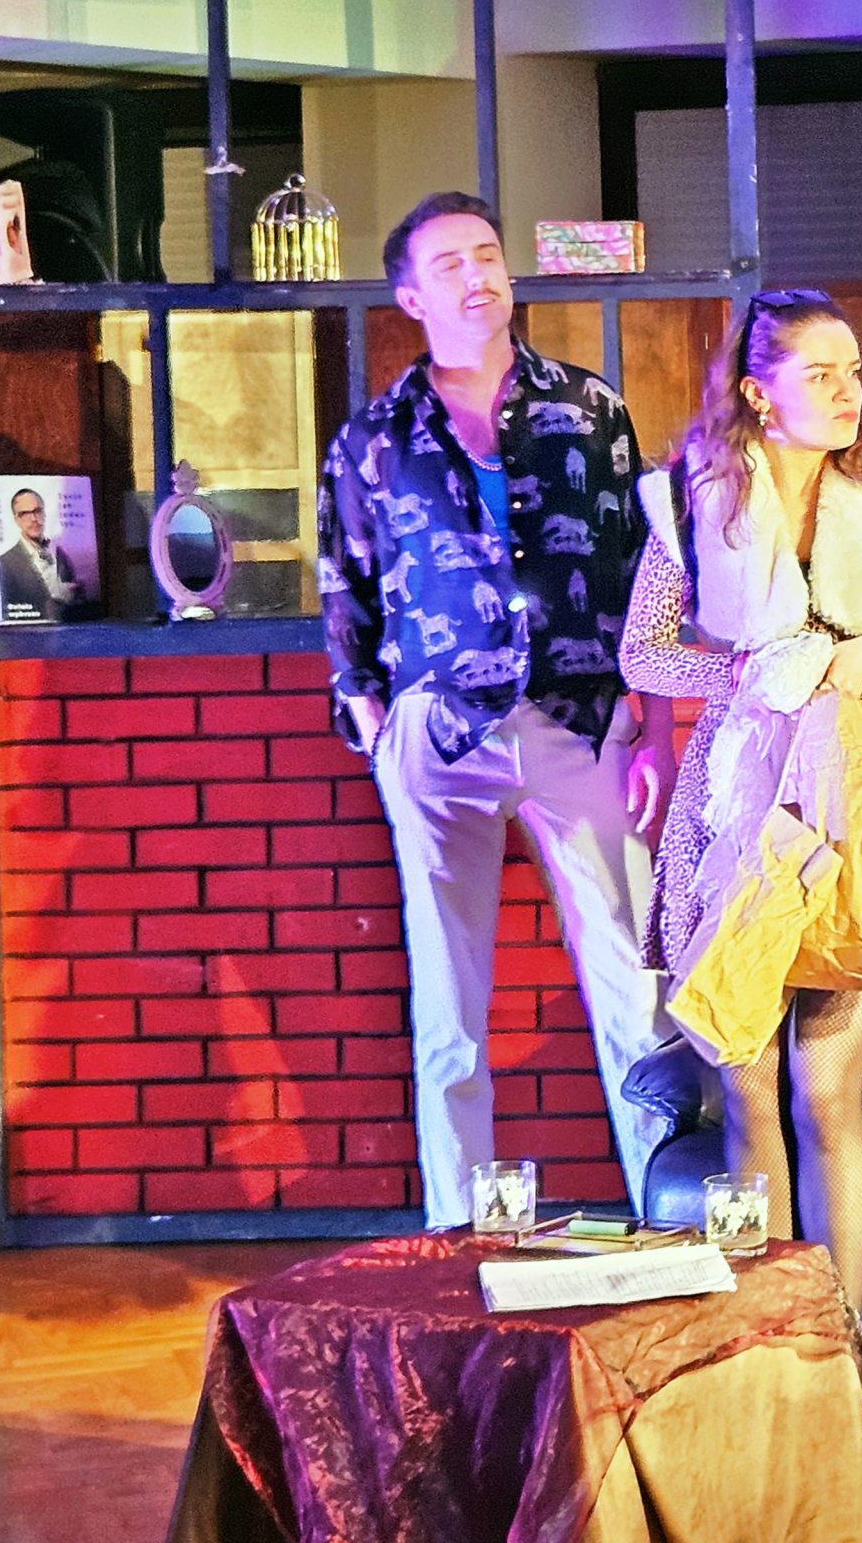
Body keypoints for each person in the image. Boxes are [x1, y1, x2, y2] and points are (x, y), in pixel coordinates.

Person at [619, 287, 862, 1312]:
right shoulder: (693, 494)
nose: (846, 392)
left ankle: (841, 1343)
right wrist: (742, 673)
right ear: (757, 392)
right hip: (737, 795)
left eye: (853, 372)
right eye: (819, 375)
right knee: (744, 1084)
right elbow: (642, 650)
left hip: (859, 783)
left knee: (827, 1091)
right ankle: (766, 1336)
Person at [317, 191, 677, 1230]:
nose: (476, 277)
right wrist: (375, 724)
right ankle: (460, 1233)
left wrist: (653, 727)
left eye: (486, 255)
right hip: (439, 735)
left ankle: (668, 1222)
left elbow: (643, 575)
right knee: (450, 1007)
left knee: (635, 988)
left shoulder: (591, 410)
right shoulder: (374, 438)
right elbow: (345, 587)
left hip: (582, 722)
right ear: (409, 298)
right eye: (449, 265)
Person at [0, 485, 84, 618]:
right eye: (25, 514)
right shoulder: (5, 563)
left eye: (37, 511)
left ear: (44, 513)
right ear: (16, 520)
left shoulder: (60, 555)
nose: (33, 518)